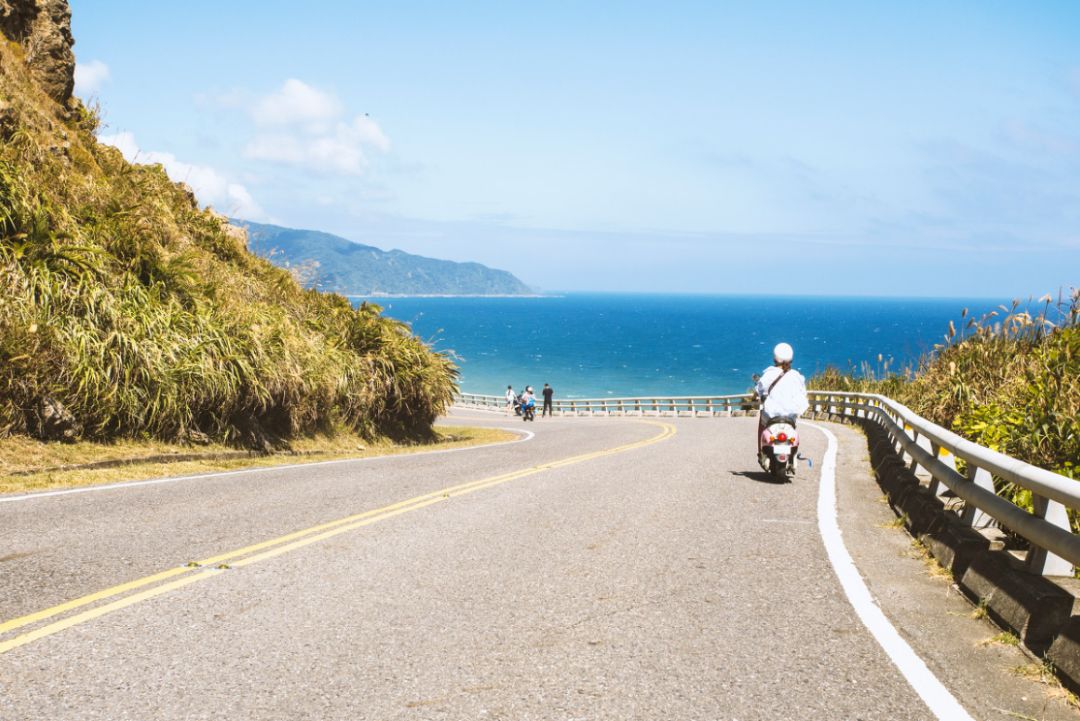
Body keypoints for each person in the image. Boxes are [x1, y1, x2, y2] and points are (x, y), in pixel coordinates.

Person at [755, 342, 809, 468]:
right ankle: (793, 454)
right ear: (791, 359)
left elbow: (759, 389)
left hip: (771, 417)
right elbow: (803, 394)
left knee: (762, 421)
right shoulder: (796, 376)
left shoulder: (768, 374)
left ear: (774, 358)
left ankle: (761, 453)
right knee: (793, 427)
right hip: (789, 417)